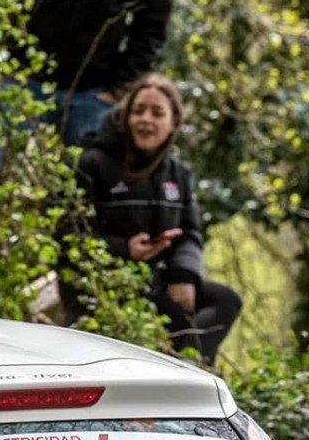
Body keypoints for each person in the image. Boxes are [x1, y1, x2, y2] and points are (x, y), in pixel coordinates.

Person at [75, 74, 243, 365]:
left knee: (225, 301)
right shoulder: (94, 163)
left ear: (174, 122)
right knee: (178, 320)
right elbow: (72, 236)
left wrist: (183, 277)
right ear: (125, 116)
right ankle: (185, 377)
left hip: (160, 276)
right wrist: (124, 249)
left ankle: (182, 370)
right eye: (138, 111)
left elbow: (190, 233)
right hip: (111, 281)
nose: (146, 120)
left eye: (157, 113)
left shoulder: (178, 173)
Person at [16, 0, 172, 146]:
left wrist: (120, 85)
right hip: (25, 76)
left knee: (89, 169)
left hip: (94, 92)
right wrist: (10, 52)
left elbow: (153, 22)